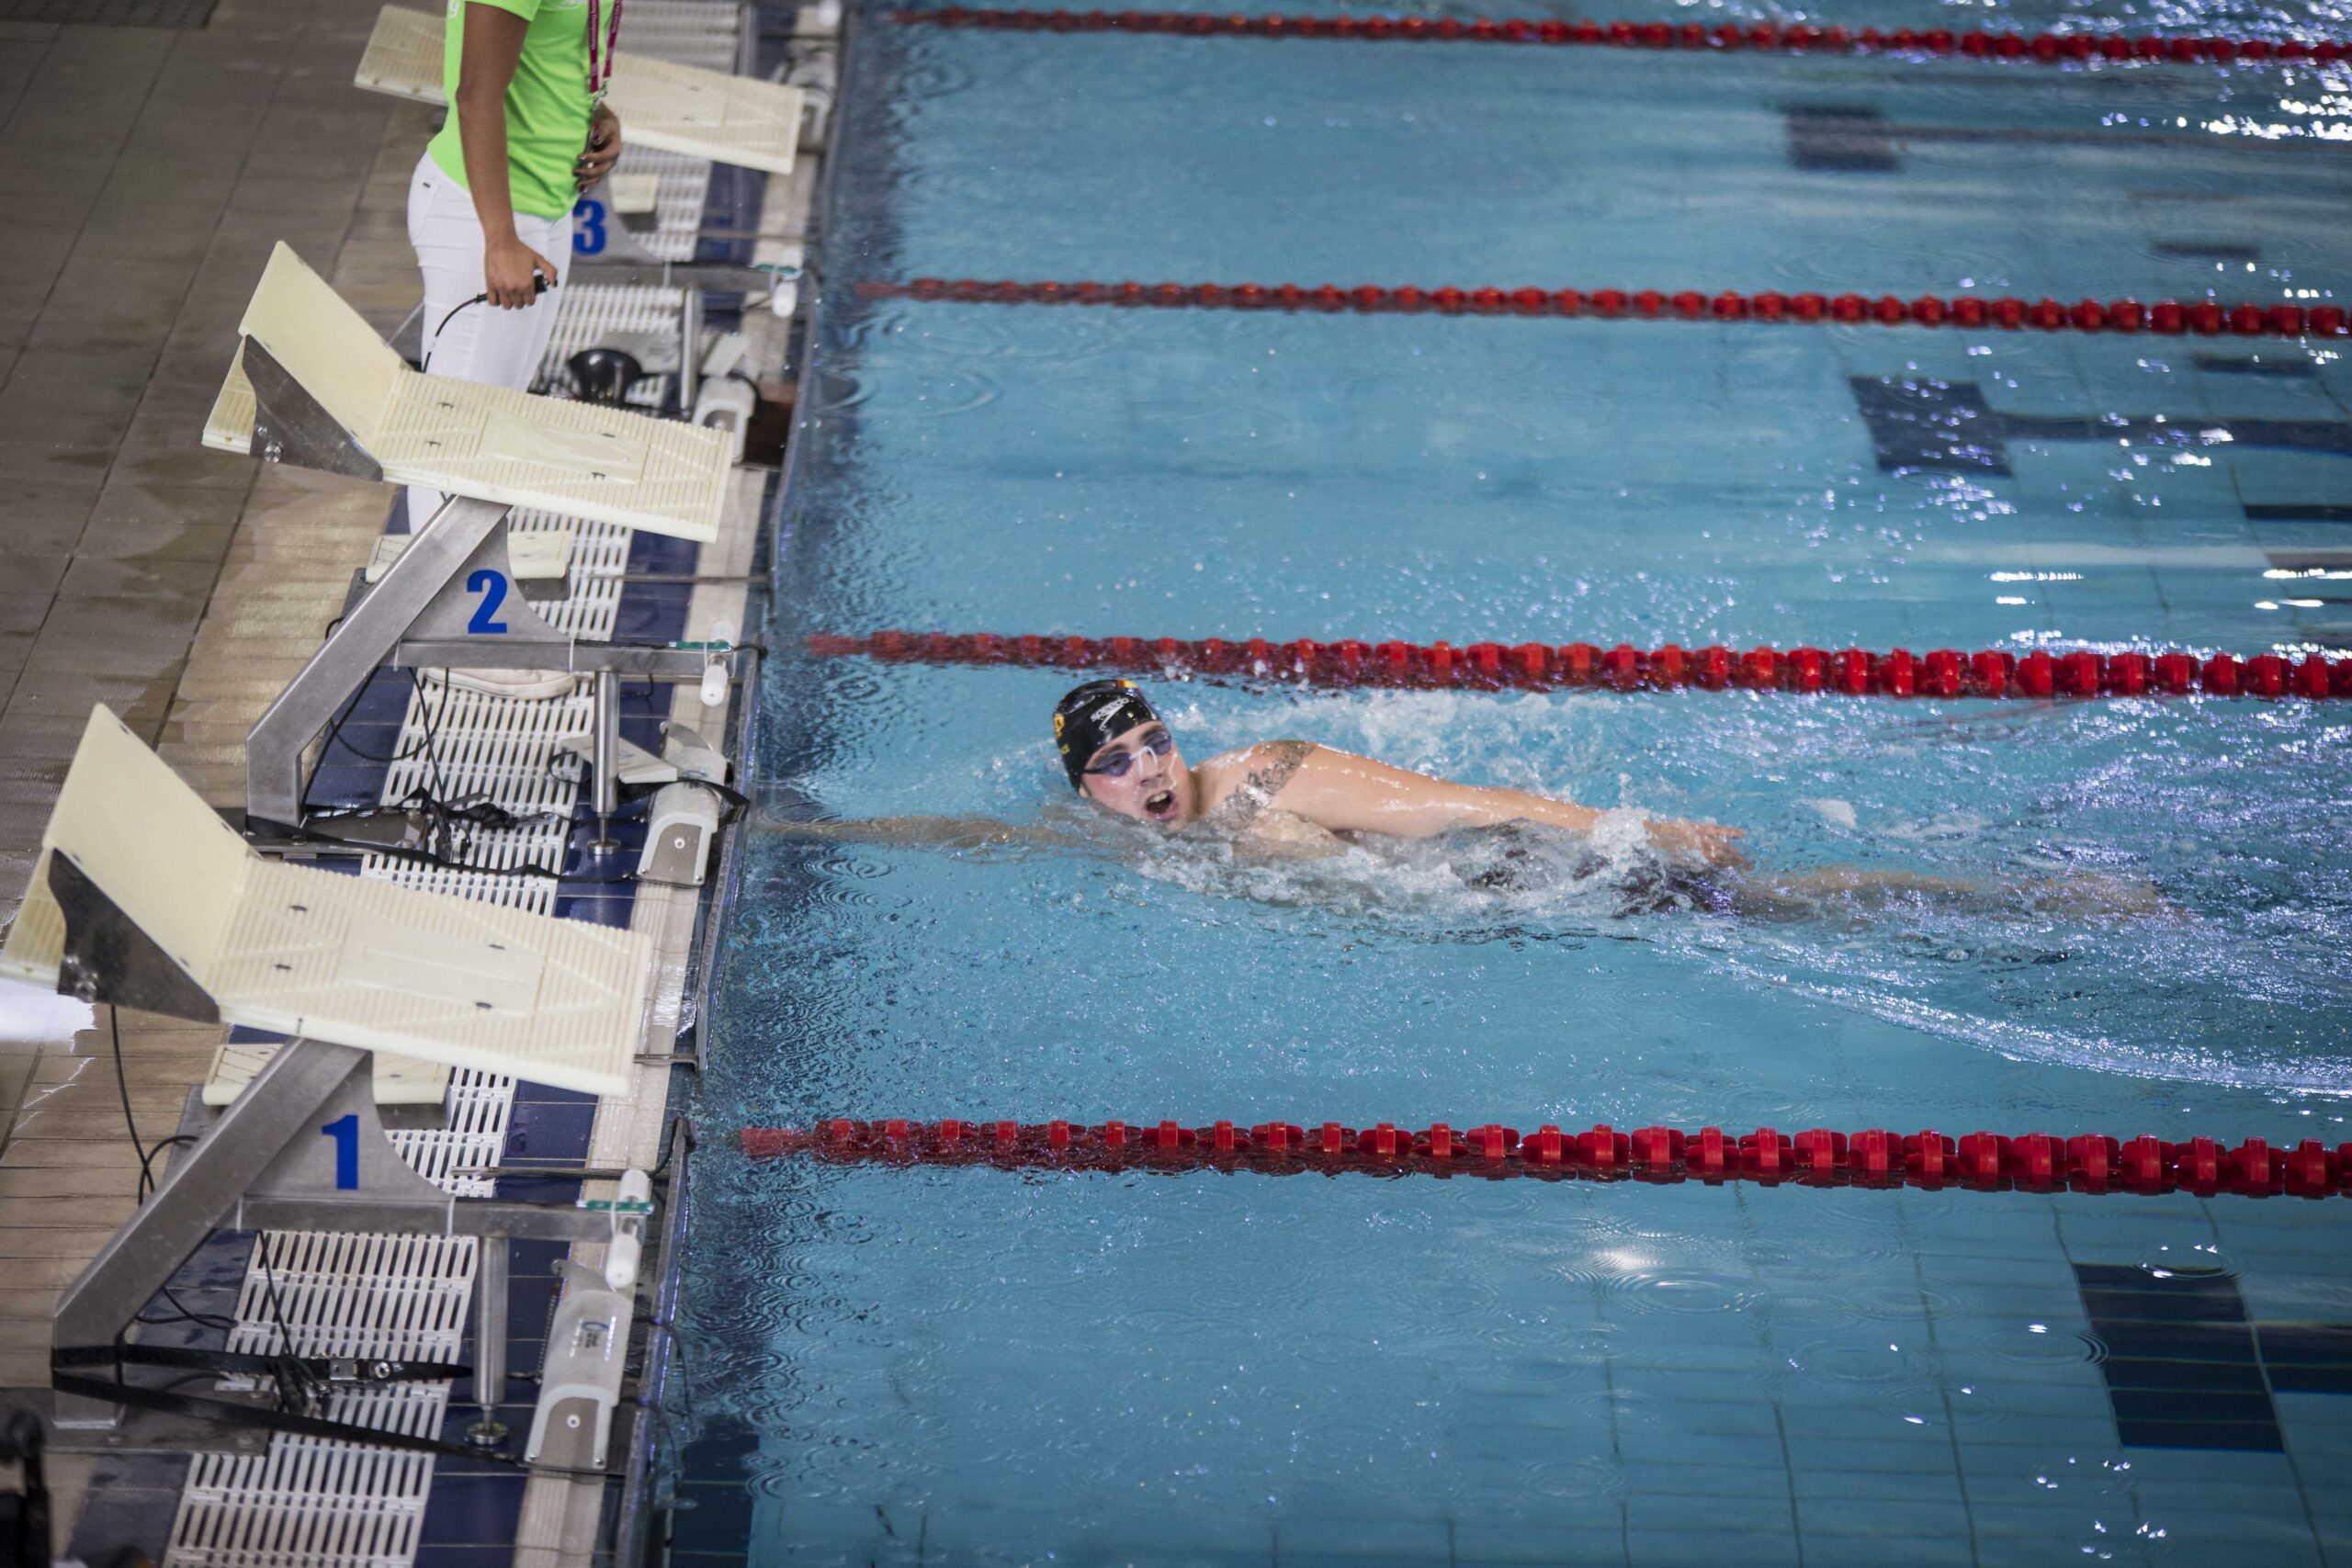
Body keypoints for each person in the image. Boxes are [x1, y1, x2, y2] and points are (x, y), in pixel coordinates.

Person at [764, 680, 2170, 921]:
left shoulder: (1267, 778)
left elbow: (1464, 799)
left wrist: (1658, 832)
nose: (1139, 773)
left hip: (1526, 873)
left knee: (1788, 907)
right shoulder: (1139, 838)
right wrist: (811, 826)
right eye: (1111, 765)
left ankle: (2051, 893)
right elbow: (982, 836)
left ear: (1174, 735)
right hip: (1490, 914)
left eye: (1146, 745)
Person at [406, 0, 624, 531]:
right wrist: (499, 237)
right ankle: (432, 610)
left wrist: (594, 112)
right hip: (483, 218)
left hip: (543, 208)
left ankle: (450, 601)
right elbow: (476, 93)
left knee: (493, 429)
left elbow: (556, 47)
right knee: (454, 441)